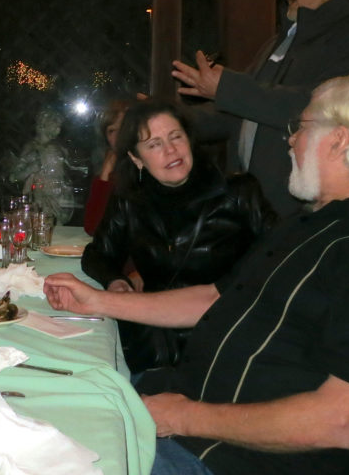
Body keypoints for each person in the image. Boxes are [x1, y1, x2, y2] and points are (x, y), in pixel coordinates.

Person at [44, 74, 349, 475]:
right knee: (46, 405)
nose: (290, 141)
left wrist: (181, 416)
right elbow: (214, 299)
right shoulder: (308, 226)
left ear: (339, 140)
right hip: (190, 416)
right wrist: (100, 301)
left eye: (301, 127)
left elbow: (340, 421)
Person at [172, 0, 349, 217]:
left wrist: (228, 88)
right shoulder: (278, 43)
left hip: (307, 211)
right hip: (252, 208)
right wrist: (166, 121)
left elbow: (319, 109)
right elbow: (237, 115)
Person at [82, 99, 273, 376]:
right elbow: (98, 253)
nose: (170, 150)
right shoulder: (130, 200)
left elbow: (279, 261)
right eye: (154, 144)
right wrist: (116, 281)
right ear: (136, 159)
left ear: (190, 140)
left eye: (176, 137)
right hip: (154, 346)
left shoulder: (239, 192)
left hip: (226, 344)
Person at [83, 99, 129, 235]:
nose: (117, 136)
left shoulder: (150, 168)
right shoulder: (112, 171)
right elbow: (92, 227)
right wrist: (106, 170)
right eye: (111, 131)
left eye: (122, 129)